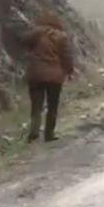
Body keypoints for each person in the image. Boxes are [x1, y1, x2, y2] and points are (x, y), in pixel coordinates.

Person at [21, 10, 74, 142]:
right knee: (52, 105)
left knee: (36, 106)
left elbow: (22, 41)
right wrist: (70, 71)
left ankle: (33, 134)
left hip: (36, 75)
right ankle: (49, 134)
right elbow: (66, 57)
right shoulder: (62, 37)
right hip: (55, 76)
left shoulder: (36, 33)